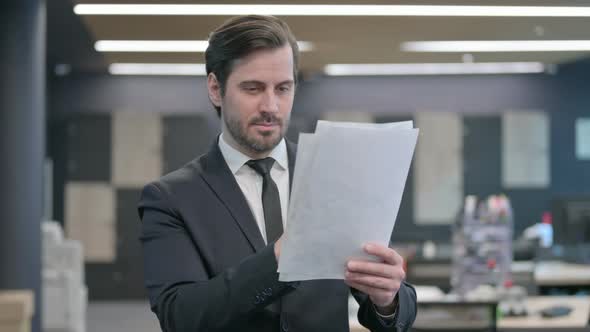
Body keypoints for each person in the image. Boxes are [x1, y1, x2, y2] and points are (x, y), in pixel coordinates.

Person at [138, 15, 417, 332]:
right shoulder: (171, 198)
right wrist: (280, 259)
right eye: (253, 88)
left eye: (283, 88)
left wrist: (388, 300)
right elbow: (180, 316)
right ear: (216, 89)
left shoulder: (332, 175)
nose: (271, 106)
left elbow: (389, 307)